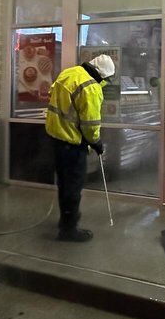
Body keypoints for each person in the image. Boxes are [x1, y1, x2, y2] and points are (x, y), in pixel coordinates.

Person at [45, 53, 116, 242]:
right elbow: (90, 125)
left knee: (64, 184)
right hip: (72, 145)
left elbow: (52, 96)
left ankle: (65, 221)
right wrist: (97, 143)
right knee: (73, 188)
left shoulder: (68, 73)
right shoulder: (91, 87)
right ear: (101, 75)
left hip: (56, 140)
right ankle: (68, 230)